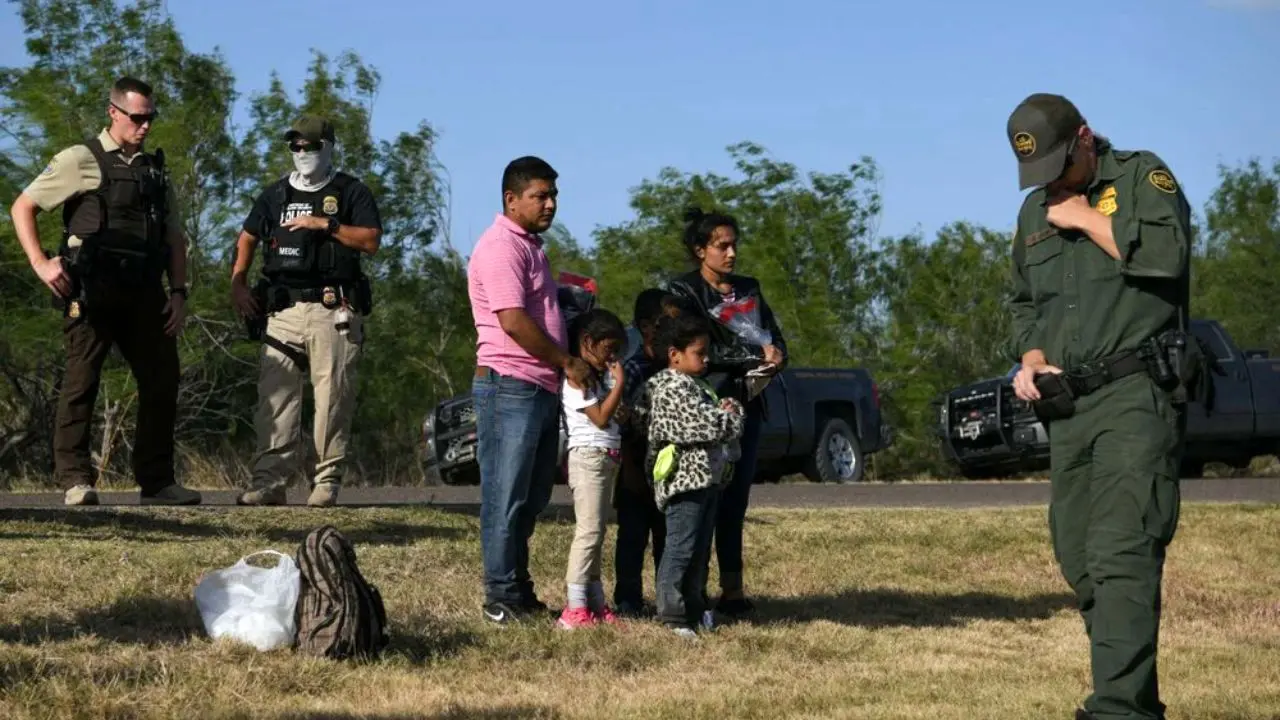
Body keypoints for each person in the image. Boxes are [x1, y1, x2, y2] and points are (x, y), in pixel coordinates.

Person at [1006, 93, 1198, 720]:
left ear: (1085, 138)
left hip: (1134, 394)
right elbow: (1022, 305)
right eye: (1040, 176)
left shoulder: (1143, 177)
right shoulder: (1034, 210)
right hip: (1068, 408)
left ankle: (1116, 709)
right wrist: (1030, 359)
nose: (1051, 184)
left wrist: (1087, 218)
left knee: (1123, 551)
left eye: (1060, 166)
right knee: (1079, 555)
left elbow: (1170, 258)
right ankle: (1131, 699)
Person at [8, 76, 200, 507]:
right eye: (137, 117)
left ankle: (158, 482)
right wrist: (41, 263)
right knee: (82, 381)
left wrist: (179, 293)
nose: (145, 125)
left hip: (146, 290)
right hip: (93, 288)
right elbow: (23, 206)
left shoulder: (155, 170)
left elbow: (174, 238)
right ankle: (75, 479)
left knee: (162, 379)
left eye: (151, 117)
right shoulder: (81, 158)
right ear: (113, 112)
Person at [230, 115, 383, 507]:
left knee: (332, 396)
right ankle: (269, 482)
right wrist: (239, 282)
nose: (302, 153)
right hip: (282, 309)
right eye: (295, 146)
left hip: (332, 308)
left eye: (310, 146)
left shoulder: (350, 192)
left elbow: (370, 241)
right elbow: (247, 236)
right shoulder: (275, 195)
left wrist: (325, 225)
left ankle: (326, 480)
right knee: (274, 398)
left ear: (327, 147)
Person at [468, 155, 594, 624]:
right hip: (509, 386)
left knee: (531, 494)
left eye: (553, 195)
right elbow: (513, 321)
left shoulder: (531, 247)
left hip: (536, 386)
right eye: (540, 195)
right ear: (511, 198)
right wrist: (567, 361)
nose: (550, 204)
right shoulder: (502, 246)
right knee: (505, 494)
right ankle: (500, 597)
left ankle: (518, 591)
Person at [665, 207, 787, 620]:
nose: (732, 253)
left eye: (735, 244)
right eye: (722, 245)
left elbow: (773, 333)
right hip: (704, 407)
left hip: (748, 404)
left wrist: (776, 355)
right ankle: (689, 593)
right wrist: (753, 353)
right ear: (701, 250)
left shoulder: (749, 288)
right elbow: (700, 348)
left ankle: (732, 590)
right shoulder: (683, 293)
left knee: (735, 502)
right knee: (701, 500)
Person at [645, 312, 745, 638]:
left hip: (709, 481)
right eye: (699, 354)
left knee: (700, 549)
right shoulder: (669, 387)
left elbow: (723, 413)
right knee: (680, 548)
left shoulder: (698, 386)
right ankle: (672, 614)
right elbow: (705, 425)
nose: (705, 360)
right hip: (685, 481)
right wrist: (729, 417)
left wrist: (728, 410)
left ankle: (694, 606)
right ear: (675, 355)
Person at [612, 289, 687, 616]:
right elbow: (623, 424)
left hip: (670, 471)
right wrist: (630, 467)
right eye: (666, 323)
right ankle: (628, 599)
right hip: (635, 467)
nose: (674, 329)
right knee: (632, 536)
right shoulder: (631, 369)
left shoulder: (677, 367)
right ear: (646, 327)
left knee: (668, 538)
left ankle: (667, 599)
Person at [557, 308, 629, 629]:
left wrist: (617, 402)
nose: (611, 357)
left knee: (597, 533)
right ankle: (574, 608)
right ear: (587, 341)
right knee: (588, 532)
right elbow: (599, 418)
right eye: (607, 349)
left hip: (605, 458)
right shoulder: (577, 378)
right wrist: (619, 386)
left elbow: (609, 416)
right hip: (588, 458)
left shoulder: (597, 380)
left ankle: (596, 603)